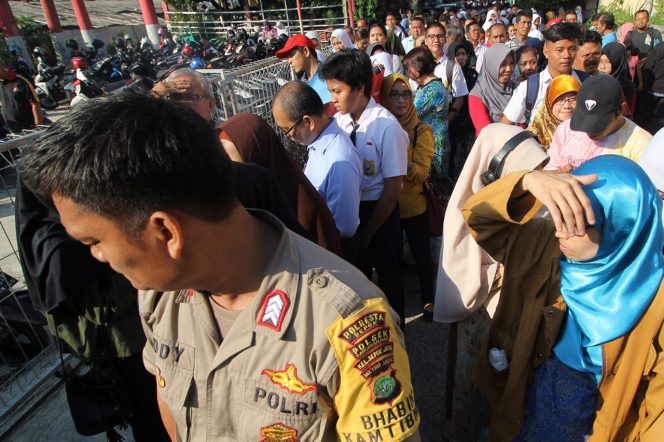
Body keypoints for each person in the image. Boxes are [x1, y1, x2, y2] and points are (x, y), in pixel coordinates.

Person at [20, 92, 422, 442]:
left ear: (166, 232)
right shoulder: (158, 297)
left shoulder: (347, 322)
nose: (97, 257)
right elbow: (173, 409)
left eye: (95, 241)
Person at [464, 152, 664, 441]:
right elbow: (478, 216)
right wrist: (527, 181)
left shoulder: (655, 305)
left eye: (578, 222)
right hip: (525, 411)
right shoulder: (543, 245)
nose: (561, 231)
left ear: (622, 229)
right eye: (560, 214)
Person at [16, 183, 170, 442]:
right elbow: (102, 310)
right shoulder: (59, 246)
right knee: (148, 413)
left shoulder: (44, 232)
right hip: (120, 345)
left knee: (143, 410)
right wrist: (135, 268)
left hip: (115, 344)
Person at [435, 124, 550, 442]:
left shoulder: (531, 204)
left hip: (518, 313)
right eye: (523, 175)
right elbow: (462, 269)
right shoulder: (470, 209)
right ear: (493, 174)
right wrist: (502, 272)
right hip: (483, 313)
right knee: (474, 380)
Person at [320, 50, 409, 322]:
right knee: (356, 284)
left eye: (337, 91)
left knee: (390, 281)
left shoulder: (386, 126)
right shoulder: (339, 121)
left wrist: (369, 231)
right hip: (351, 210)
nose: (332, 98)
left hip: (380, 212)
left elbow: (393, 188)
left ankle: (397, 339)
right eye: (330, 91)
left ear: (359, 88)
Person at [218, 113, 342, 254]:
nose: (230, 169)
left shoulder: (305, 213)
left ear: (257, 153)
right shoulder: (239, 210)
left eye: (230, 160)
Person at [272, 81, 362, 263]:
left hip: (336, 254)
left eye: (286, 130)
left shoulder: (339, 159)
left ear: (307, 122)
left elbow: (345, 227)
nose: (288, 136)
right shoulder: (317, 145)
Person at [380, 74, 435, 320]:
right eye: (394, 94)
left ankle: (429, 299)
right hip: (387, 205)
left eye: (406, 94)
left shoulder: (421, 130)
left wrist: (398, 155)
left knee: (422, 255)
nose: (401, 100)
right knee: (388, 261)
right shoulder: (378, 128)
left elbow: (422, 173)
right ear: (384, 97)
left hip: (414, 205)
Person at [547, 75, 652, 170]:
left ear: (621, 109)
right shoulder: (565, 129)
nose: (589, 131)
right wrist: (558, 175)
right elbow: (551, 167)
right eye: (583, 120)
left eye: (599, 124)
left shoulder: (642, 145)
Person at [502, 23, 584, 126]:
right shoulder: (529, 87)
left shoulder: (586, 83)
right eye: (559, 50)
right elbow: (504, 125)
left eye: (572, 49)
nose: (566, 55)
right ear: (546, 51)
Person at [405, 47, 452, 198]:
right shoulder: (431, 86)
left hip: (434, 145)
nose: (407, 71)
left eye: (409, 67)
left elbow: (410, 112)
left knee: (434, 190)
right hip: (434, 142)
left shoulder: (432, 90)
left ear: (417, 69)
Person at [423, 22, 468, 125]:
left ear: (445, 39)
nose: (436, 40)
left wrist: (445, 122)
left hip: (443, 121)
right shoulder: (419, 64)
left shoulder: (452, 66)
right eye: (431, 37)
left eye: (440, 36)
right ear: (425, 40)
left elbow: (459, 99)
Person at [469, 43, 515, 136]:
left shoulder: (517, 88)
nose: (509, 69)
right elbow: (486, 133)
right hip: (492, 147)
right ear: (491, 65)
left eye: (511, 63)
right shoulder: (477, 95)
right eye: (503, 64)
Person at [448, 42, 478, 179]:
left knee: (470, 159)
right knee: (455, 158)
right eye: (457, 54)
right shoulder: (446, 73)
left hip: (469, 124)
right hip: (453, 123)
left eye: (463, 54)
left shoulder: (473, 75)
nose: (461, 57)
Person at [527, 74, 580, 150]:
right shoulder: (534, 135)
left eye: (573, 99)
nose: (567, 106)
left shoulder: (590, 132)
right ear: (549, 103)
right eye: (560, 100)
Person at [275, 35, 331, 105]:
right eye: (287, 57)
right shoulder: (300, 87)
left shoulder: (330, 76)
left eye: (291, 55)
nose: (289, 61)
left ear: (306, 51)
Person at [0, 59, 42, 134]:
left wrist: (38, 127)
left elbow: (35, 103)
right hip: (13, 132)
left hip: (30, 129)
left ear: (1, 65)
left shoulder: (20, 80)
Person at [599, 42, 637, 118]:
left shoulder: (628, 87)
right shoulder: (594, 80)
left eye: (607, 62)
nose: (602, 66)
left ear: (617, 62)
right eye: (600, 61)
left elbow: (628, 115)